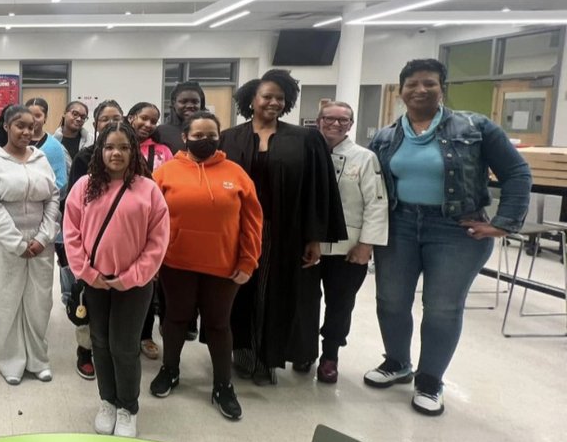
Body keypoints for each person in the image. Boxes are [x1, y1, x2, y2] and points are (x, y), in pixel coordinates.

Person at [366, 59, 530, 416]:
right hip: (399, 225)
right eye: (412, 84)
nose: (420, 90)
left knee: (441, 308)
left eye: (429, 83)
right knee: (390, 301)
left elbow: (517, 173)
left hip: (456, 229)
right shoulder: (385, 136)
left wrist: (504, 222)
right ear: (401, 90)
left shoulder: (476, 127)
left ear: (442, 88)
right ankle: (397, 362)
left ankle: (430, 379)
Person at [219, 69, 346, 385]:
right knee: (240, 292)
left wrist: (315, 237)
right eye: (267, 96)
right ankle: (242, 354)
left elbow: (319, 189)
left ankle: (267, 359)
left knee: (275, 295)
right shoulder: (230, 138)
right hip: (239, 232)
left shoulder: (306, 140)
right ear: (252, 99)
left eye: (280, 97)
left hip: (284, 232)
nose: (274, 102)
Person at [152, 111, 263, 421]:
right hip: (176, 263)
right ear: (185, 137)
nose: (205, 141)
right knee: (175, 318)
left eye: (211, 135)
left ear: (219, 138)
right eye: (198, 136)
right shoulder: (164, 173)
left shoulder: (236, 173)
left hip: (224, 267)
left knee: (218, 324)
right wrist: (155, 260)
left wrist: (248, 260)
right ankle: (170, 370)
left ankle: (223, 385)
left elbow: (253, 222)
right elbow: (152, 221)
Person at [64, 119, 169, 439]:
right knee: (99, 344)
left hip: (133, 285)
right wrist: (88, 273)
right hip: (95, 282)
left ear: (133, 151)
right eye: (110, 147)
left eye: (124, 147)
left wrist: (132, 276)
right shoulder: (84, 186)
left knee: (124, 346)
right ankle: (107, 401)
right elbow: (71, 232)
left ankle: (127, 407)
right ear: (100, 150)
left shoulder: (147, 189)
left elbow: (158, 240)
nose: (116, 153)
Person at [297, 101, 389, 384]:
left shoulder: (364, 158)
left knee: (340, 304)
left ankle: (330, 356)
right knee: (305, 302)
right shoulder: (304, 152)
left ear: (351, 124)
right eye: (329, 118)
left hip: (348, 247)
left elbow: (376, 203)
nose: (335, 124)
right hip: (306, 244)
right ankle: (304, 350)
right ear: (318, 120)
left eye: (343, 120)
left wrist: (366, 245)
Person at [0, 104, 60, 385]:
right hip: (4, 243)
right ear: (6, 127)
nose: (27, 131)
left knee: (39, 302)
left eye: (31, 125)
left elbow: (53, 197)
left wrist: (43, 236)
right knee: (8, 299)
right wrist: (17, 243)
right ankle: (10, 360)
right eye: (20, 125)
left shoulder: (40, 158)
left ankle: (38, 358)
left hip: (40, 243)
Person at [62, 100, 126, 380]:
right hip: (90, 251)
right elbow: (74, 210)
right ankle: (85, 352)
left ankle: (113, 352)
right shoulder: (84, 158)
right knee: (86, 307)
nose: (110, 123)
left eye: (116, 118)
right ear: (96, 125)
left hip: (123, 252)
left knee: (118, 312)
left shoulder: (132, 164)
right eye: (104, 120)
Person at [126, 101, 174, 361]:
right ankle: (125, 336)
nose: (147, 124)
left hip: (151, 221)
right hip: (123, 223)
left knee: (147, 282)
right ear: (131, 117)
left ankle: (145, 335)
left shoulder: (163, 151)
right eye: (143, 118)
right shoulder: (119, 144)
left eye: (153, 121)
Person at [24, 96, 68, 191]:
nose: (33, 119)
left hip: (47, 201)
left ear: (45, 117)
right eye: (29, 115)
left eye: (38, 116)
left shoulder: (54, 146)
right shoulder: (16, 141)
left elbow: (61, 182)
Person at [154, 81, 206, 155]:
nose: (189, 106)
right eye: (183, 102)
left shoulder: (209, 130)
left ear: (201, 104)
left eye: (195, 102)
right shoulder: (161, 132)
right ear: (173, 103)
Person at [53, 101, 93, 165]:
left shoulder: (91, 140)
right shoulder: (54, 141)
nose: (79, 119)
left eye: (83, 117)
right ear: (64, 114)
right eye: (75, 114)